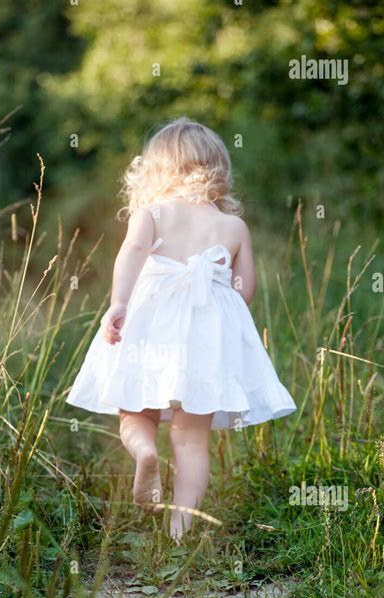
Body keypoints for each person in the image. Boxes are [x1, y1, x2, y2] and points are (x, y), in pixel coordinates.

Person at [66, 117, 296, 541]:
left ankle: (146, 451)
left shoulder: (151, 213)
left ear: (154, 170)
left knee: (135, 410)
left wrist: (119, 304)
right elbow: (245, 290)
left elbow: (132, 253)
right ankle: (180, 530)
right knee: (192, 439)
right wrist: (216, 311)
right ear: (219, 169)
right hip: (206, 336)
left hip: (152, 325)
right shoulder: (233, 227)